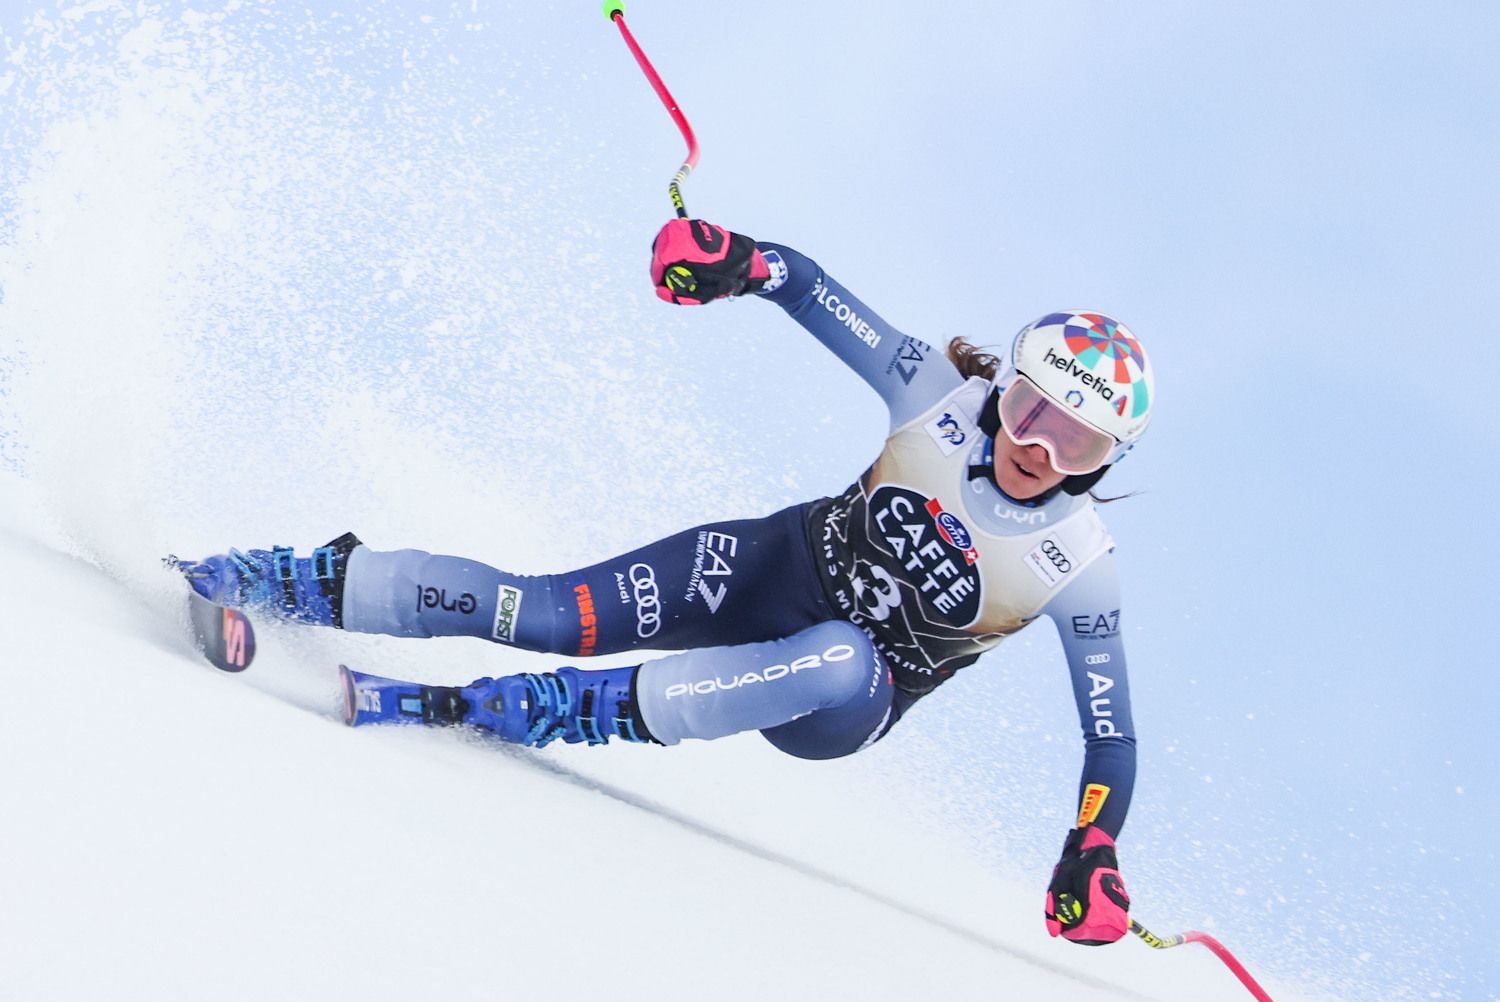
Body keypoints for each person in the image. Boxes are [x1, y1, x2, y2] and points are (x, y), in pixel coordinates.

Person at [179, 218, 1152, 947]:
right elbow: (807, 286)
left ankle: (509, 713)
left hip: (847, 698)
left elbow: (1110, 735)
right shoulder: (940, 395)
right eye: (1029, 407)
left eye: (1074, 440)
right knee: (546, 610)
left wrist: (1092, 849)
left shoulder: (1080, 565)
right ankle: (270, 580)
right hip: (769, 568)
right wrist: (735, 261)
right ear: (1006, 386)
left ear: (1103, 461)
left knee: (839, 653)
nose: (1034, 445)